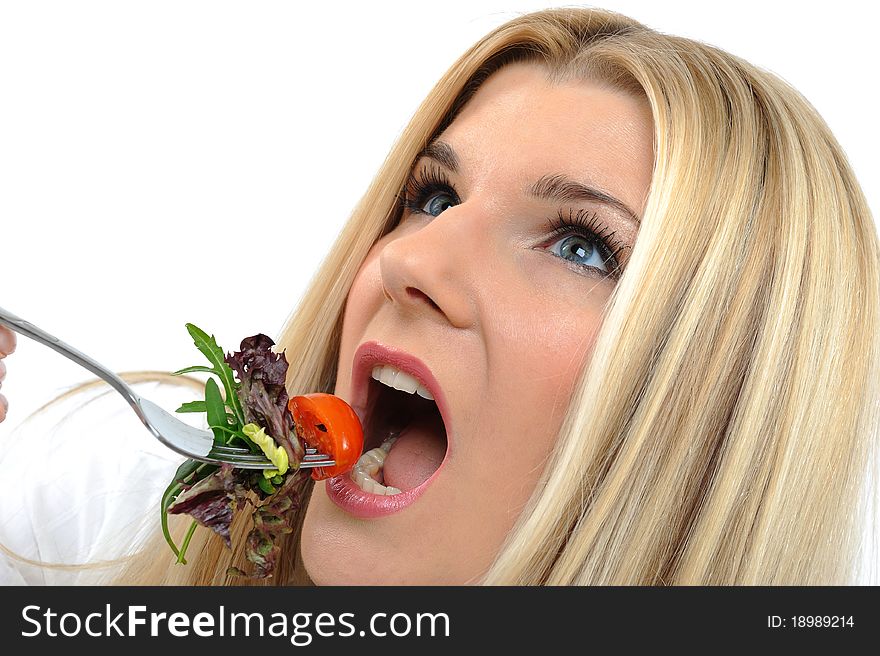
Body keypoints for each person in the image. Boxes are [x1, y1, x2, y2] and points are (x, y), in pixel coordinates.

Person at [1, 6, 878, 585]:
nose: (410, 262)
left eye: (581, 246)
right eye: (432, 197)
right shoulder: (121, 524)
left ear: (719, 428)